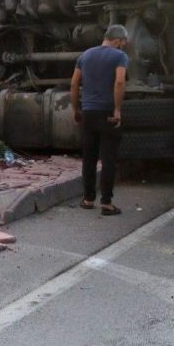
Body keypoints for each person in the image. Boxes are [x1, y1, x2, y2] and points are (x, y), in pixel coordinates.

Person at [71, 25, 129, 215]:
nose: (123, 46)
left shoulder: (85, 55)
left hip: (88, 113)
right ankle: (106, 202)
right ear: (118, 40)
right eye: (123, 42)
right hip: (107, 113)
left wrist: (76, 108)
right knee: (108, 158)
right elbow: (119, 82)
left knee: (89, 159)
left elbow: (74, 83)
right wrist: (117, 109)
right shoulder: (120, 57)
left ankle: (88, 199)